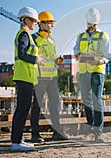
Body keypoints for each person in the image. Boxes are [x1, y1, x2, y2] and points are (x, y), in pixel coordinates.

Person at [30, 11, 69, 142]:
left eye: (53, 23)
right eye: (50, 23)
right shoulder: (34, 38)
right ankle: (34, 134)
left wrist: (58, 60)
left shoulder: (51, 40)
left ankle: (57, 132)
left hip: (52, 77)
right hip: (40, 78)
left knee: (55, 104)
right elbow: (33, 58)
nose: (52, 25)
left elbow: (50, 59)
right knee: (37, 105)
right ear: (41, 24)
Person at [11, 7, 46, 151]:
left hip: (26, 76)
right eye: (34, 20)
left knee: (23, 108)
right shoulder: (24, 35)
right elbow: (22, 54)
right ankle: (16, 142)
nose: (35, 24)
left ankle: (18, 140)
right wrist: (36, 59)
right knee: (22, 109)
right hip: (23, 76)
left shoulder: (26, 35)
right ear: (25, 19)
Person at [73, 8, 110, 142]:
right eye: (90, 24)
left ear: (97, 23)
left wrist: (99, 61)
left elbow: (106, 55)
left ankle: (98, 132)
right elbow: (76, 50)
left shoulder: (103, 35)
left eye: (94, 24)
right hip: (84, 71)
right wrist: (81, 56)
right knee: (87, 101)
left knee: (97, 100)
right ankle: (90, 131)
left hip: (97, 71)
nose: (92, 26)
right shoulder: (81, 36)